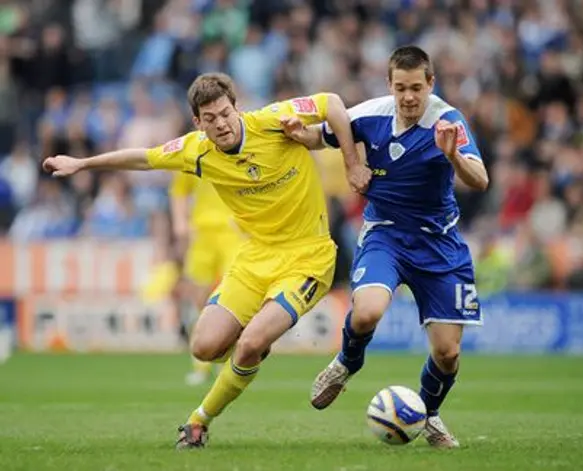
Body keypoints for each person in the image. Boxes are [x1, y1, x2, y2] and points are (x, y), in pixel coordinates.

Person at [43, 72, 370, 449]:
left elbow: (331, 101)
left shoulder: (271, 122)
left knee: (248, 344)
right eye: (210, 118)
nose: (221, 123)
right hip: (255, 258)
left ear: (237, 108)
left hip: (308, 258)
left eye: (225, 113)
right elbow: (144, 159)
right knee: (203, 347)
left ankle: (198, 421)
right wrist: (82, 164)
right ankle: (249, 352)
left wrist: (350, 163)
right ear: (198, 123)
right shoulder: (197, 149)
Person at [281, 45, 489, 448]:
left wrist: (453, 158)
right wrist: (297, 133)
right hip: (386, 234)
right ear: (389, 85)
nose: (409, 97)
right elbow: (319, 136)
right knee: (367, 313)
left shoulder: (447, 122)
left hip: (439, 244)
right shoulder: (370, 114)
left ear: (431, 83)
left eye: (416, 87)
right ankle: (346, 363)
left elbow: (480, 179)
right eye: (400, 88)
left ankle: (428, 414)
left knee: (448, 354)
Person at [169, 172, 242, 386]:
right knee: (199, 299)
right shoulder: (193, 150)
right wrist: (180, 222)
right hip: (202, 233)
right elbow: (179, 190)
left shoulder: (236, 146)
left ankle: (225, 361)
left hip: (234, 231)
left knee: (232, 299)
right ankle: (201, 365)